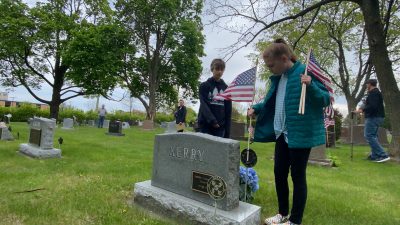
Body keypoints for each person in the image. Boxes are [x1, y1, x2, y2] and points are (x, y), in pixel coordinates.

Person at [247, 39, 330, 225]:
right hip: (281, 133)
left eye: (271, 65)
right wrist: (257, 108)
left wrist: (311, 85)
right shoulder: (279, 78)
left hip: (299, 133)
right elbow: (273, 101)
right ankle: (282, 213)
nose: (270, 69)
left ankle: (295, 220)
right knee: (279, 173)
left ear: (284, 58)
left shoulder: (304, 72)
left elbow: (325, 99)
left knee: (297, 176)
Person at [354, 79, 390, 162]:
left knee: (369, 135)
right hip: (377, 117)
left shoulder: (374, 93)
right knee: (373, 136)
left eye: (367, 84)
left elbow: (373, 106)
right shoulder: (375, 93)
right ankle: (374, 156)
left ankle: (383, 155)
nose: (366, 86)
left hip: (374, 117)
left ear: (370, 84)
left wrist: (361, 110)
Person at [198, 58, 232, 138]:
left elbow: (228, 110)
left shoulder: (226, 88)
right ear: (212, 69)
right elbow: (204, 105)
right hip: (206, 125)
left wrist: (227, 131)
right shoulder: (204, 86)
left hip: (220, 127)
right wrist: (213, 121)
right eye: (217, 69)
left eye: (222, 69)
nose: (219, 72)